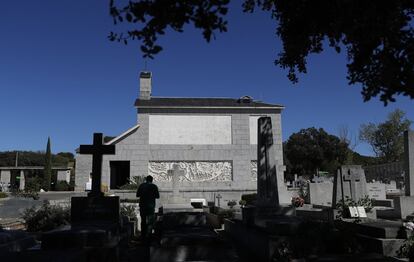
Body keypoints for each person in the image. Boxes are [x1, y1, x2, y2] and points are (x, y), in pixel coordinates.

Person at [136, 175, 159, 240]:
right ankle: (149, 236)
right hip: (150, 206)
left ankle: (143, 236)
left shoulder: (141, 186)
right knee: (150, 221)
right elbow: (157, 196)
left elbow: (137, 195)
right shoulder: (154, 186)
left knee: (143, 221)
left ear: (146, 180)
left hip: (143, 205)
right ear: (152, 180)